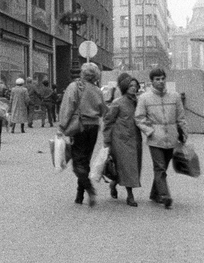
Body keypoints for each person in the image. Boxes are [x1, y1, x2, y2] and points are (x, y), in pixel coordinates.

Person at [135, 66, 189, 211]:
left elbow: (181, 117)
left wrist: (183, 133)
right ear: (151, 81)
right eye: (157, 79)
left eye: (162, 78)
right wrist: (149, 131)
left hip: (171, 137)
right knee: (159, 167)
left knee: (163, 167)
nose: (160, 82)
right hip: (156, 138)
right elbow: (139, 118)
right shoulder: (144, 98)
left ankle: (154, 194)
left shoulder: (175, 96)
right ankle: (165, 196)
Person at [58, 62, 108, 207]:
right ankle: (79, 195)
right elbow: (104, 111)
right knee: (85, 159)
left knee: (77, 163)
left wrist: (61, 126)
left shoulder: (74, 87)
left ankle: (89, 190)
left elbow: (67, 107)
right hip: (93, 127)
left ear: (82, 73)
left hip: (78, 127)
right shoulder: (97, 90)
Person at [103, 73, 142, 207]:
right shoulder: (117, 103)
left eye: (135, 86)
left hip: (135, 138)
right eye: (131, 86)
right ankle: (130, 196)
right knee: (128, 166)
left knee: (131, 166)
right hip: (120, 139)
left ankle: (113, 184)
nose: (133, 88)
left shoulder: (139, 102)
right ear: (125, 87)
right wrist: (107, 141)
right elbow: (108, 121)